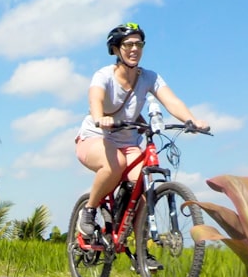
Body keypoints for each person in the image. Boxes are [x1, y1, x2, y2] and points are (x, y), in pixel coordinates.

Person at [75, 22, 208, 238]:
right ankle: (89, 211)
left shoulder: (149, 77)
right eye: (128, 45)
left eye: (139, 44)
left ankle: (140, 252)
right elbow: (95, 99)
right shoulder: (104, 75)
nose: (134, 49)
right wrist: (101, 118)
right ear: (116, 49)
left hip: (128, 142)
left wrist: (191, 120)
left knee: (144, 187)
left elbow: (171, 101)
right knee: (115, 164)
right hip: (96, 137)